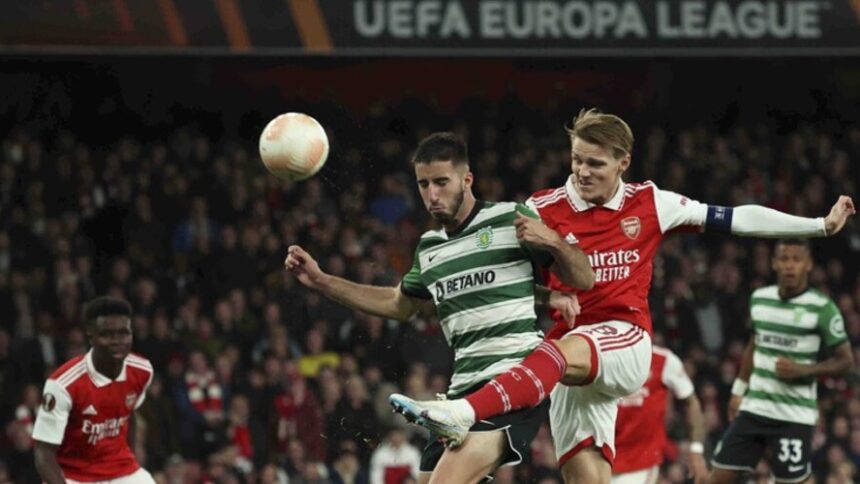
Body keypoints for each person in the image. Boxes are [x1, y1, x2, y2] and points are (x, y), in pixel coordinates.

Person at [393, 109, 856, 483]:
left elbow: (736, 218)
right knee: (583, 475)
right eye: (577, 160)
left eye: (595, 163)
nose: (582, 171)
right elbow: (505, 277)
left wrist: (818, 226)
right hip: (571, 363)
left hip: (623, 340)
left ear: (623, 163)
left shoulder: (650, 203)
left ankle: (463, 411)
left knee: (553, 351)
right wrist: (545, 297)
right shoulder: (542, 207)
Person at [284, 131, 594, 484]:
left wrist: (553, 241)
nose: (432, 194)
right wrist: (323, 281)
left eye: (441, 182)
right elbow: (398, 304)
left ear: (467, 179)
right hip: (460, 393)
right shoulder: (430, 248)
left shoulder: (510, 218)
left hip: (512, 381)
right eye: (424, 184)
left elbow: (584, 278)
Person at [708, 239, 854, 484]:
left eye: (797, 259)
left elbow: (846, 362)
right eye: (784, 259)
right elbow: (753, 345)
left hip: (794, 415)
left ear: (808, 264)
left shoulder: (822, 308)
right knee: (718, 477)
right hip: (756, 407)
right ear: (774, 263)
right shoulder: (759, 299)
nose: (790, 266)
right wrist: (738, 390)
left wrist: (803, 370)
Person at [32, 296, 155, 483]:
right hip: (73, 476)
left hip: (122, 470)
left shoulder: (142, 371)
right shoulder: (62, 384)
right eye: (107, 335)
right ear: (91, 337)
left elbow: (130, 414)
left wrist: (133, 459)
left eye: (123, 333)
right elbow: (43, 452)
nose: (117, 341)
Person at [613, 344, 707, 484]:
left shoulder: (663, 360)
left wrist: (696, 450)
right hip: (600, 457)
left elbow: (691, 402)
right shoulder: (599, 359)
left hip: (641, 462)